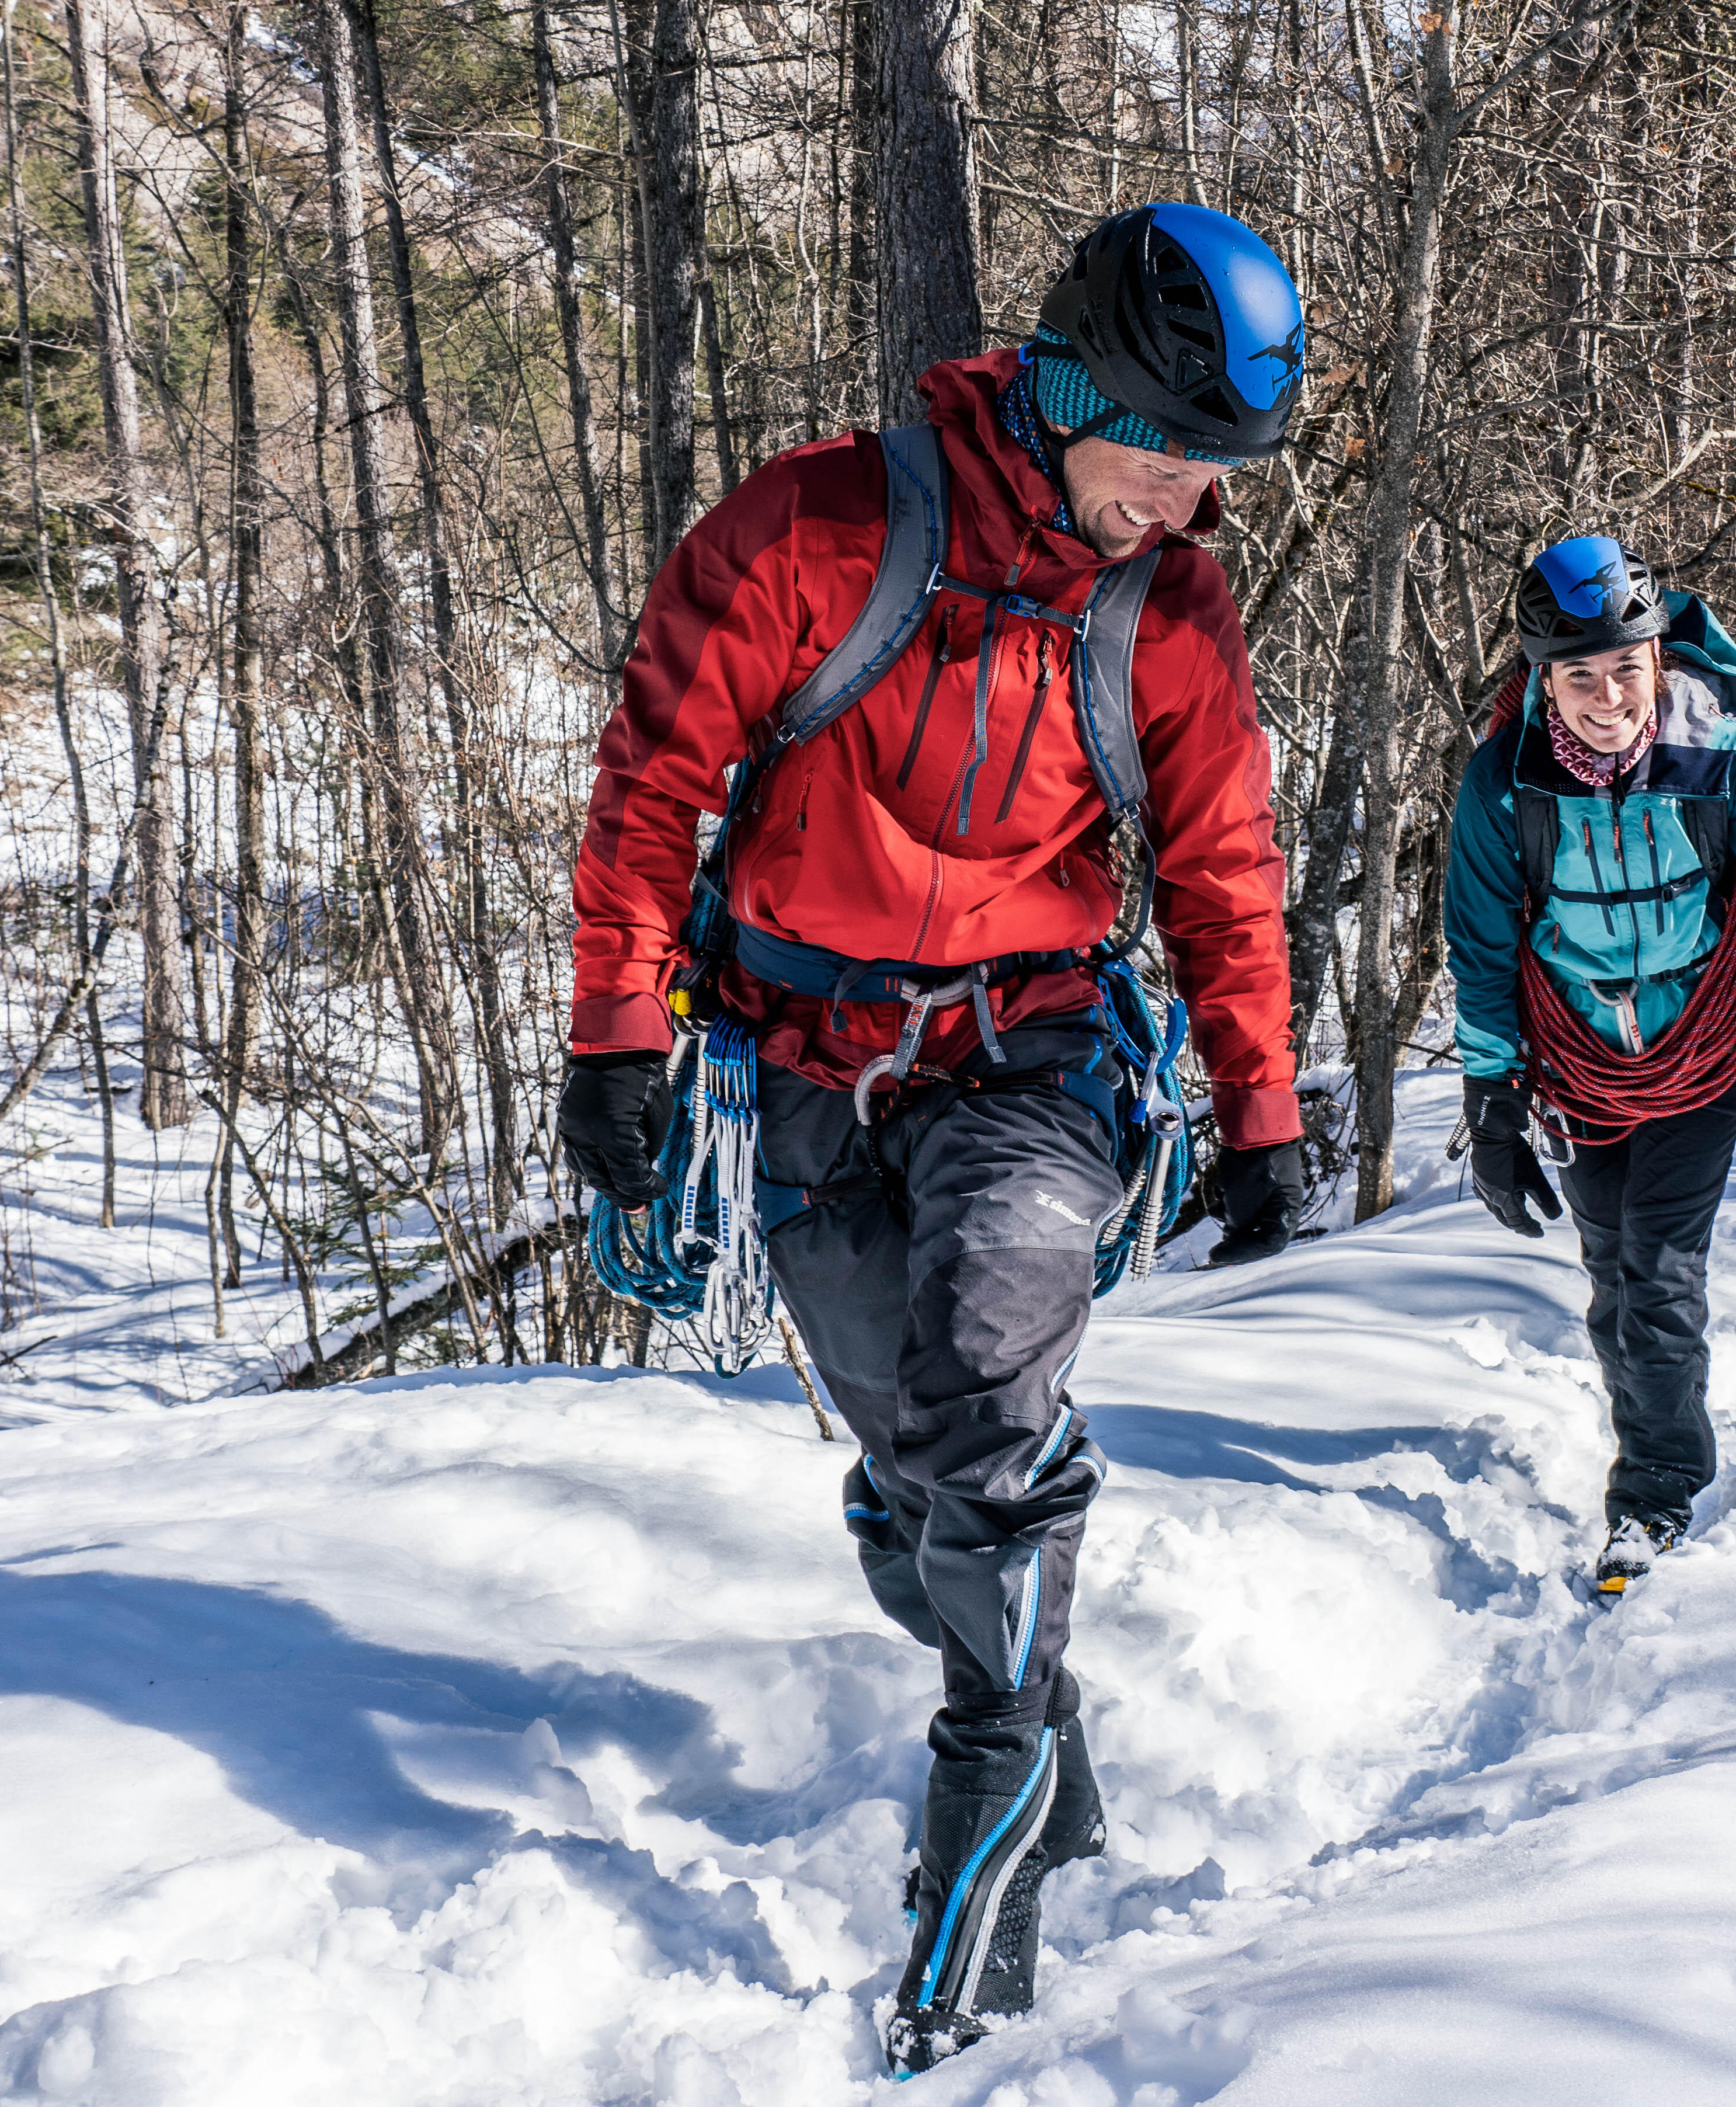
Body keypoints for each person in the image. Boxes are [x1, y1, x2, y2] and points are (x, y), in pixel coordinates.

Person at [554, 204, 1311, 2073]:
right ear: (1072, 388)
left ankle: (981, 1858)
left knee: (988, 1389)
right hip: (800, 1062)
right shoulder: (813, 527)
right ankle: (1042, 1725)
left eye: (1219, 473)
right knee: (919, 1495)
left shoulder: (1173, 609)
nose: (1185, 502)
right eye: (1166, 452)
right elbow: (655, 782)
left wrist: (1261, 1107)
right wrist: (617, 1036)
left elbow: (1221, 870)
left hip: (1036, 1054)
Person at [1443, 536, 1736, 1597]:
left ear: (1657, 656)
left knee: (1659, 1277)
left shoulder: (1726, 760)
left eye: (1626, 666)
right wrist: (1489, 1103)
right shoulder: (1502, 788)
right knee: (1612, 1273)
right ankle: (1655, 1443)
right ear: (1542, 676)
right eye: (1577, 674)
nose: (1606, 695)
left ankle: (1656, 1493)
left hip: (1703, 1051)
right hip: (1574, 1066)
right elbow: (1481, 945)